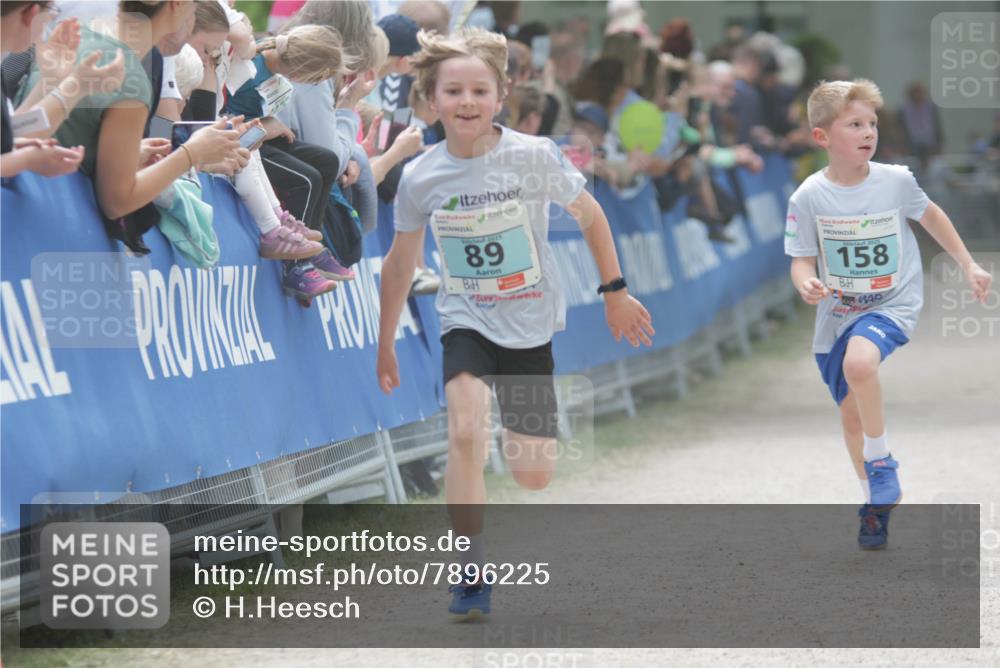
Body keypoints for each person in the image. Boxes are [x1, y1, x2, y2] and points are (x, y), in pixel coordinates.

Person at [375, 28, 654, 621]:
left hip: (529, 323)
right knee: (464, 432)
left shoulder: (533, 155)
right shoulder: (421, 176)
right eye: (454, 91)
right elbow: (400, 263)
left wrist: (615, 293)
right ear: (431, 99)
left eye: (480, 90)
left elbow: (591, 216)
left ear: (501, 97)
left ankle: (510, 431)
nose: (467, 102)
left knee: (532, 474)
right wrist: (386, 342)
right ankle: (469, 570)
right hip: (465, 319)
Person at [784, 79, 992, 550]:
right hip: (837, 314)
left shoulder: (895, 180)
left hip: (892, 302)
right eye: (854, 124)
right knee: (851, 419)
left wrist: (968, 264)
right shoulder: (809, 196)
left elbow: (931, 215)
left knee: (860, 364)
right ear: (821, 137)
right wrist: (806, 282)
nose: (868, 132)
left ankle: (881, 462)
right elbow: (801, 259)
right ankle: (874, 506)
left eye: (872, 124)